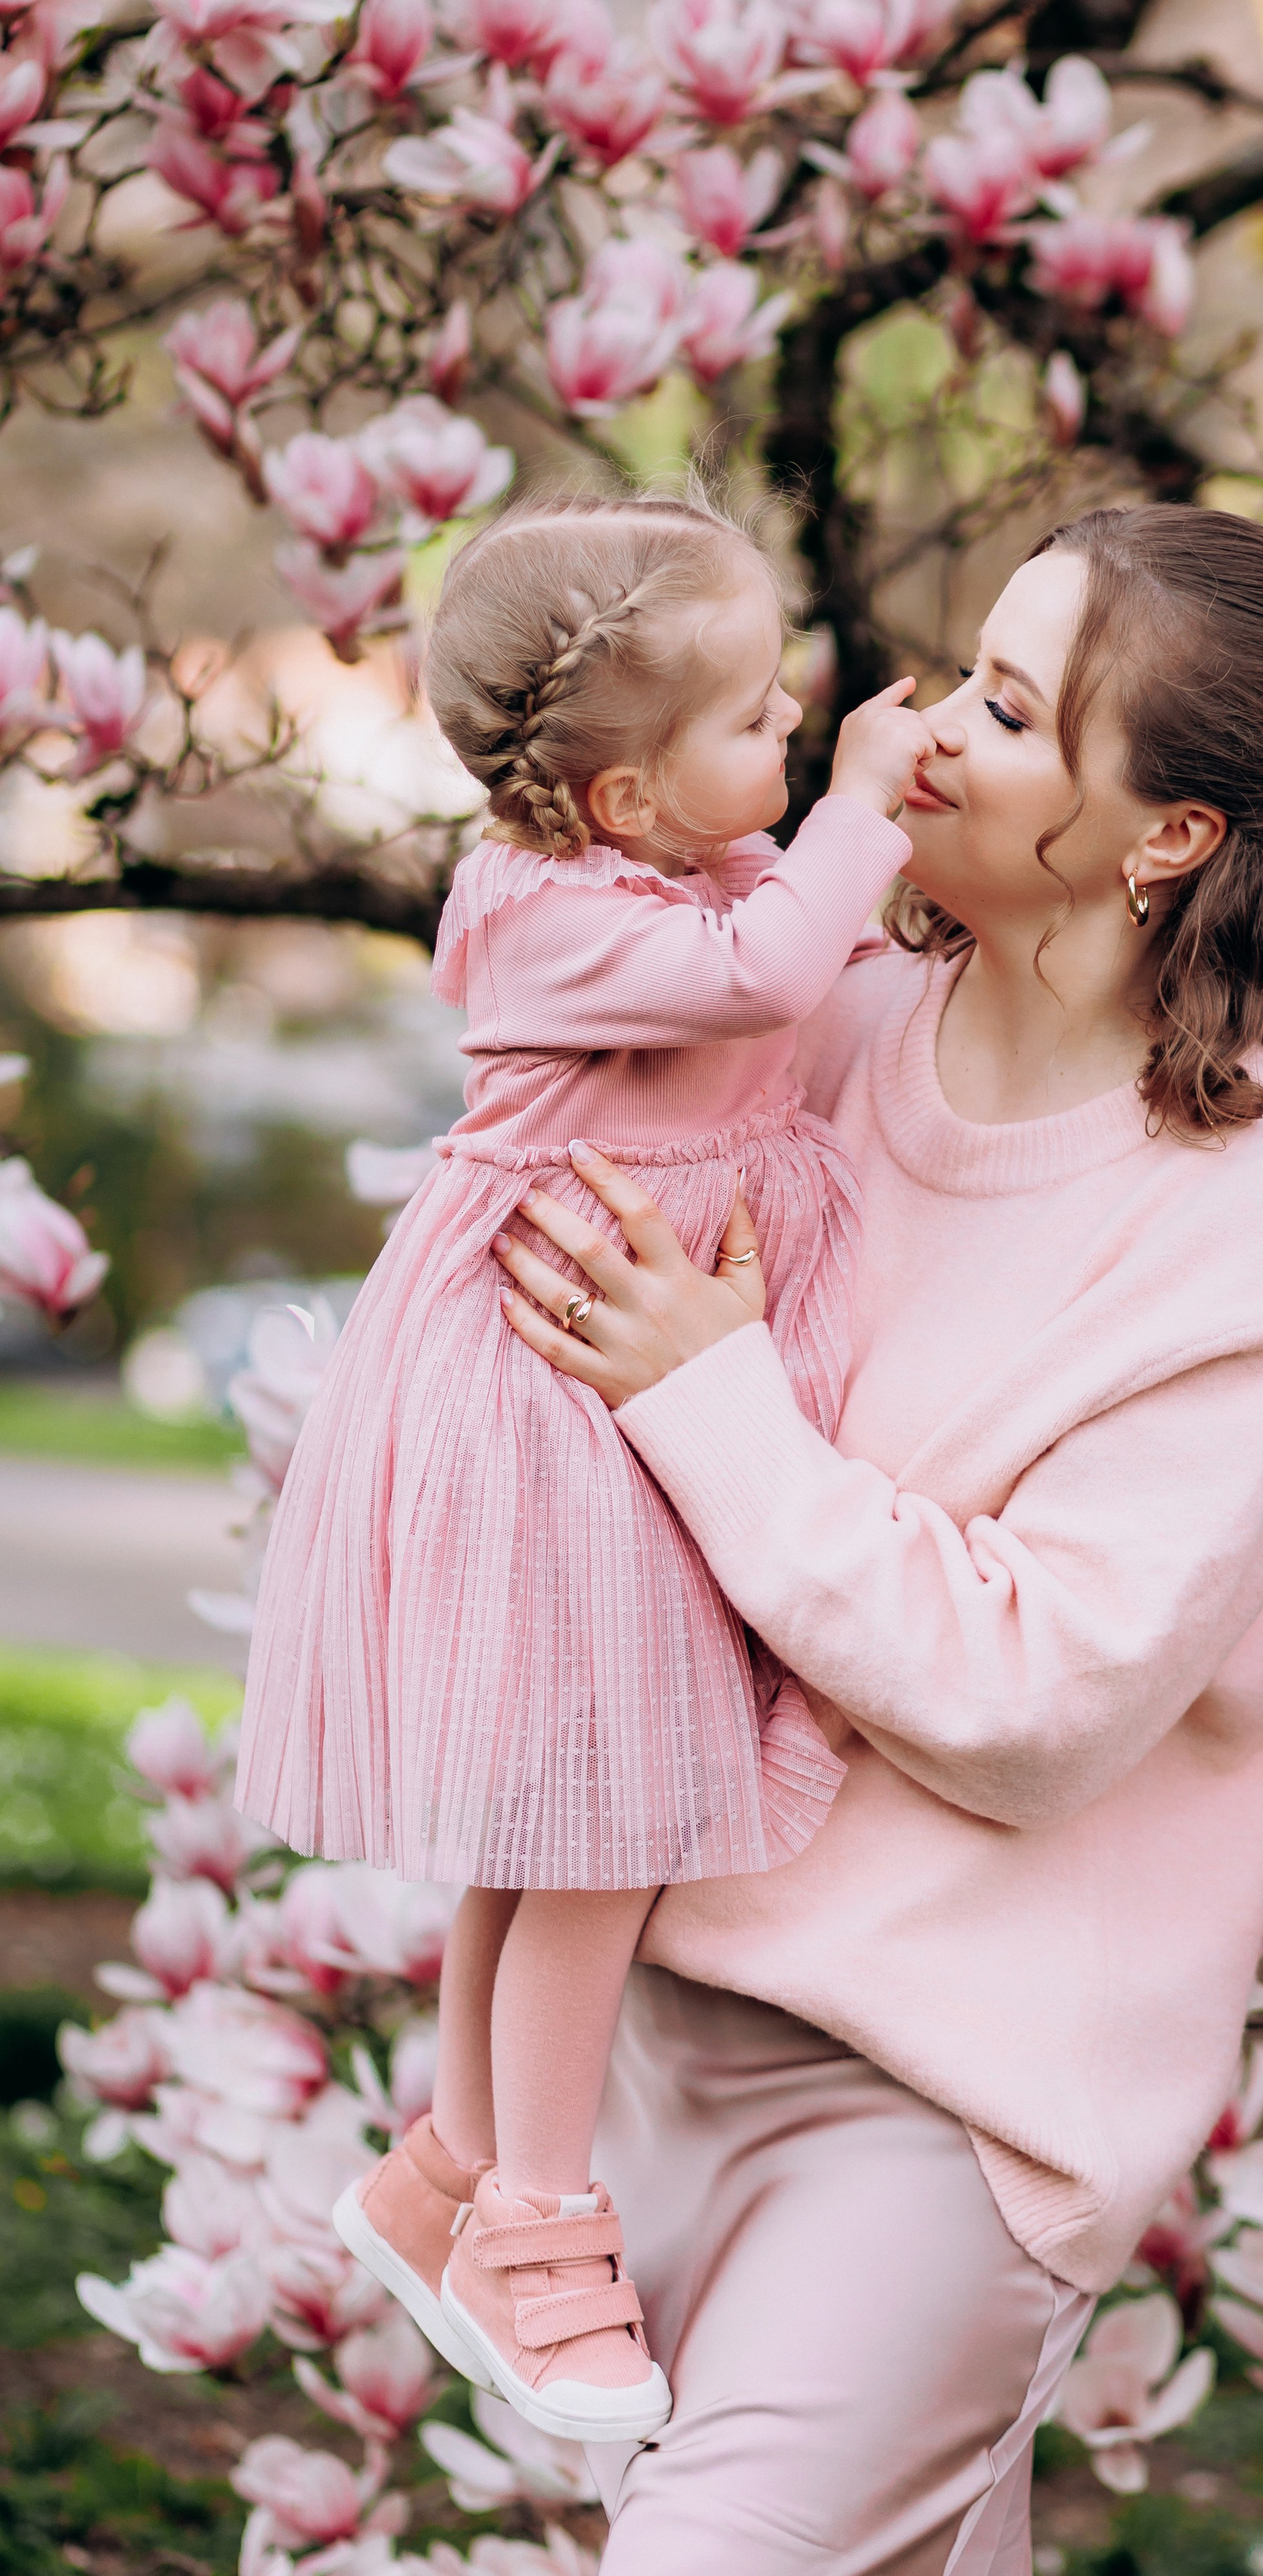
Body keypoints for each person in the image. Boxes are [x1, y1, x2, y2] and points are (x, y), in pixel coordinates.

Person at [489, 503, 1263, 2570]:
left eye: (1006, 708)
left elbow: (1030, 1698)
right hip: (654, 2024)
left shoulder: (1243, 1221)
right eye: (960, 668)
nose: (917, 730)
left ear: (1164, 835)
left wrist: (697, 1391)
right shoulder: (824, 1023)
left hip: (940, 2115)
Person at [231, 492, 933, 2442]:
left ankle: (449, 2170)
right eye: (756, 719)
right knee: (600, 1833)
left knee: (550, 1821)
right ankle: (540, 2217)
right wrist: (873, 792)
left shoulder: (653, 873)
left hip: (621, 1367)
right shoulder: (560, 916)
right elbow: (785, 971)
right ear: (622, 802)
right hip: (551, 1392)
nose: (796, 727)